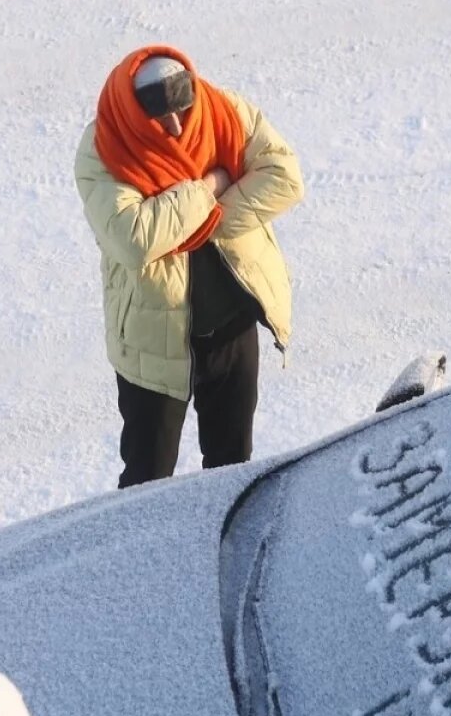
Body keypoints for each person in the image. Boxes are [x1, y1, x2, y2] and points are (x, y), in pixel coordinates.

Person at [75, 45, 304, 488]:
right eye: (162, 120)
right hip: (152, 344)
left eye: (185, 109)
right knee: (146, 480)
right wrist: (210, 185)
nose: (178, 127)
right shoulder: (103, 151)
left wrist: (195, 223)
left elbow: (285, 178)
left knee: (233, 469)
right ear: (135, 115)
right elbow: (136, 239)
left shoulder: (223, 113)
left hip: (232, 327)